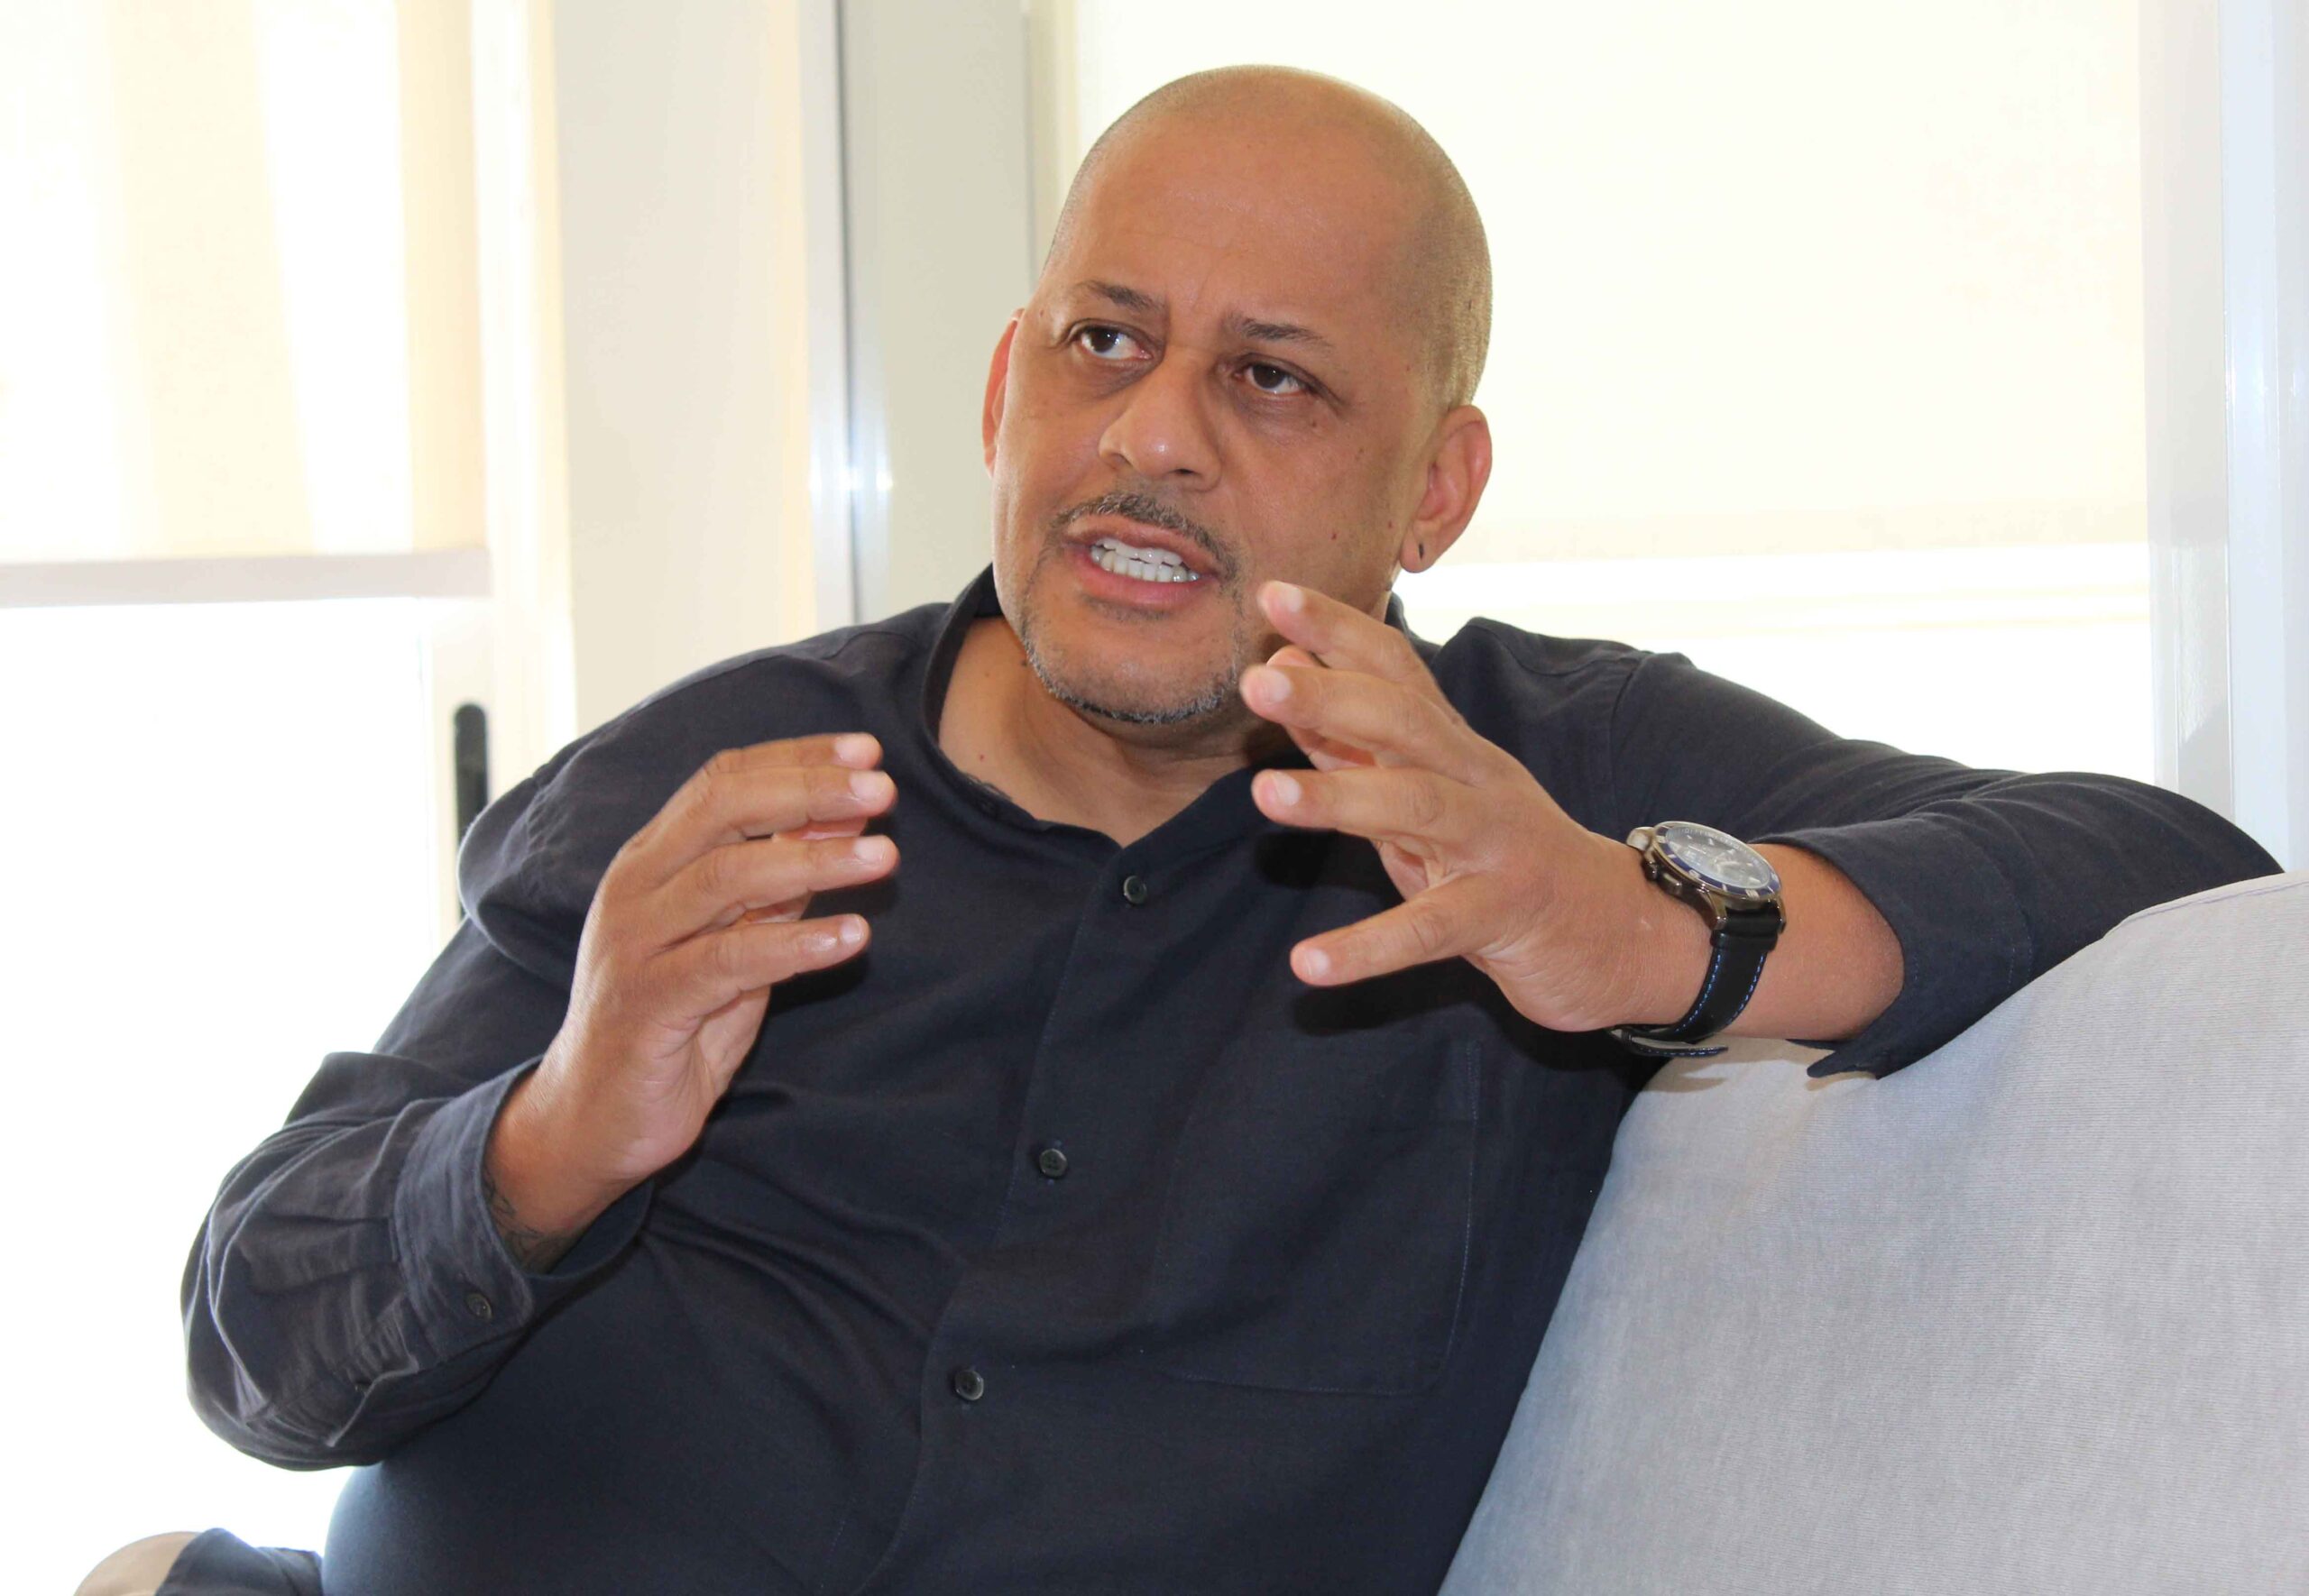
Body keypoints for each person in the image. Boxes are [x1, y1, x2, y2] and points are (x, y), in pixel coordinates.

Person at [171, 65, 2276, 1595]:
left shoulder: (1525, 782)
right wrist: (553, 1135)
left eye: (1272, 381)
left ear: (1434, 490)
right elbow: (255, 1353)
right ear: (1002, 395)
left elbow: (2154, 861)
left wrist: (1647, 932)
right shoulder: (712, 778)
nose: (1150, 435)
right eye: (1102, 343)